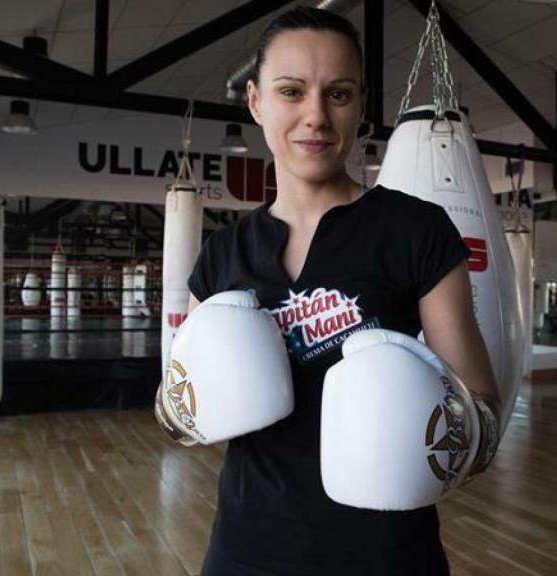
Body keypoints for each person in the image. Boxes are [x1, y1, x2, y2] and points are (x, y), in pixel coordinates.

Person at [177, 7, 500, 575]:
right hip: (248, 548)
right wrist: (195, 409)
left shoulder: (416, 231)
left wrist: (434, 441)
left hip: (387, 553)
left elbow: (483, 410)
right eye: (291, 91)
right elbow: (178, 405)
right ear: (255, 101)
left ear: (362, 104)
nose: (316, 117)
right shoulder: (222, 254)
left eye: (339, 94)